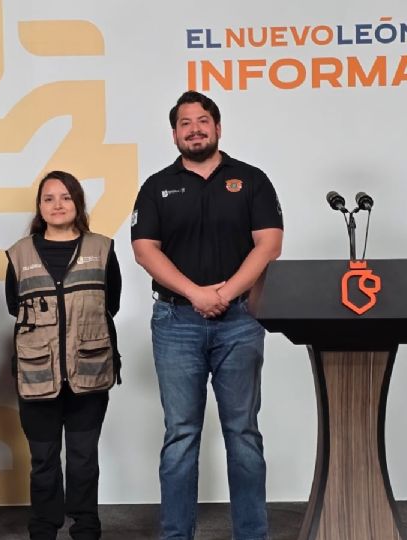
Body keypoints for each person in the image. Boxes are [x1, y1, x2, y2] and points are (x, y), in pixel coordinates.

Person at [130, 91, 284, 540]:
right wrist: (195, 293)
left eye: (202, 121)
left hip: (240, 320)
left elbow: (269, 244)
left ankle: (251, 535)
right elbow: (144, 250)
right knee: (180, 434)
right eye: (185, 123)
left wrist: (226, 293)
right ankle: (177, 535)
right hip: (175, 322)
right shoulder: (157, 186)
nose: (194, 130)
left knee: (243, 433)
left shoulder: (251, 180)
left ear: (217, 128)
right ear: (174, 134)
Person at [5, 171, 122, 540]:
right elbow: (13, 306)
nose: (57, 205)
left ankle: (86, 528)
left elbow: (111, 303)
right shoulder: (19, 254)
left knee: (84, 459)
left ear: (78, 204)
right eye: (49, 198)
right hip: (37, 374)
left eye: (66, 197)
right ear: (39, 207)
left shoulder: (102, 249)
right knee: (43, 461)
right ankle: (44, 528)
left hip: (90, 371)